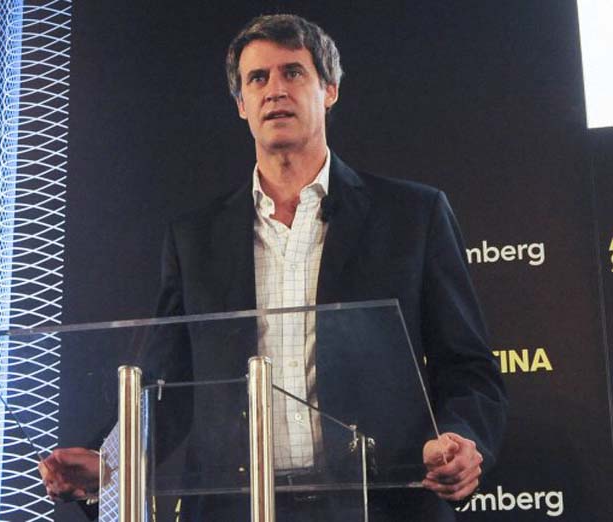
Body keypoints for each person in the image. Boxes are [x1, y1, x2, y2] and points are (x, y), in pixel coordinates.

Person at [40, 13, 507, 521]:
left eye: (293, 72)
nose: (275, 90)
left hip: (379, 505)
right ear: (241, 104)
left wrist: (461, 438)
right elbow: (166, 386)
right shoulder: (196, 239)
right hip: (235, 509)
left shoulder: (412, 216)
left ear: (329, 90)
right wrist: (109, 460)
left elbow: (466, 367)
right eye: (257, 78)